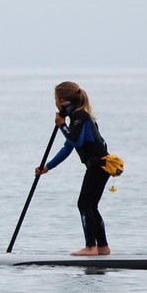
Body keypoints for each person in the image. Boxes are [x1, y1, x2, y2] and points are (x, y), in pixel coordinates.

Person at [34, 81, 111, 257]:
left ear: (62, 101)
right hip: (100, 167)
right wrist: (47, 167)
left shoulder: (80, 117)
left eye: (55, 99)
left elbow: (75, 141)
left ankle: (91, 247)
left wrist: (61, 124)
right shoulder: (80, 117)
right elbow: (68, 147)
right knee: (91, 205)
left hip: (98, 167)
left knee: (84, 204)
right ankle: (103, 247)